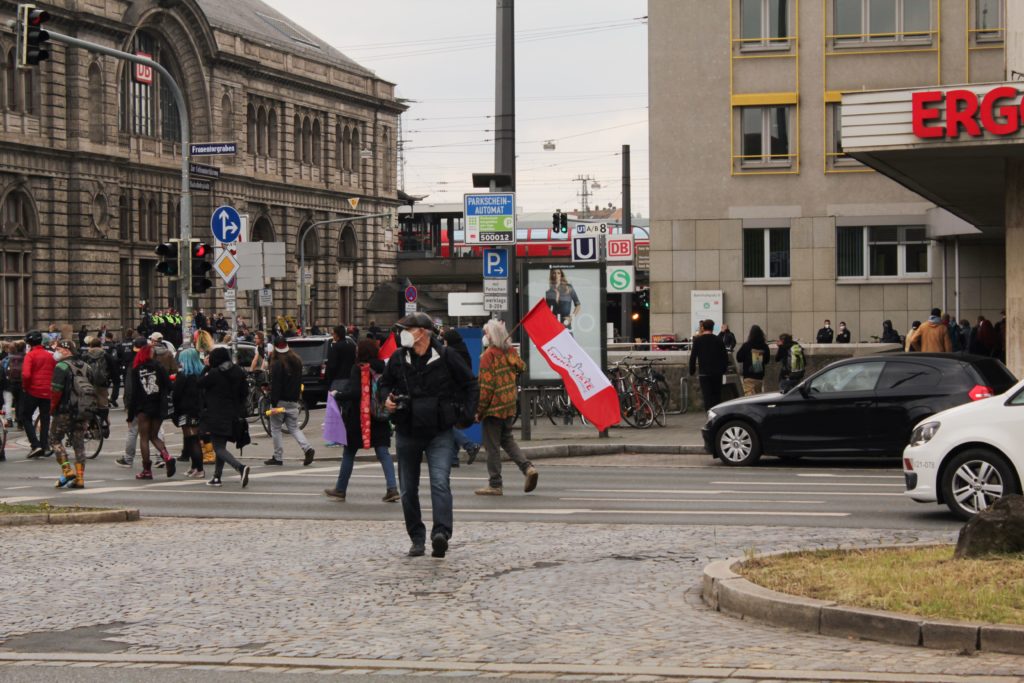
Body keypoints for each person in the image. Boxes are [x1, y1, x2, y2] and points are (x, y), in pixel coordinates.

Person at [380, 312, 478, 559]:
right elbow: (383, 384)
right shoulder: (398, 358)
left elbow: (470, 384)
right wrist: (386, 400)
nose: (401, 333)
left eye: (406, 328)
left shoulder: (446, 356)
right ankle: (417, 538)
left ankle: (441, 534)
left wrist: (466, 415)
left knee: (439, 482)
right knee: (407, 489)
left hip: (439, 432)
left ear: (421, 332)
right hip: (407, 430)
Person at [324, 339, 399, 502]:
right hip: (379, 416)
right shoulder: (383, 367)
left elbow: (355, 392)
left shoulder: (358, 368)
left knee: (349, 452)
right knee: (383, 452)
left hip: (359, 418)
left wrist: (338, 394)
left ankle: (340, 489)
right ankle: (392, 488)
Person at [473, 320, 537, 496]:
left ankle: (495, 484)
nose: (484, 337)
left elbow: (486, 387)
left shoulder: (488, 356)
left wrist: (479, 410)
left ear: (492, 336)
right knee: (507, 439)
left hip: (493, 407)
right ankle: (528, 468)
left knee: (492, 446)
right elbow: (521, 366)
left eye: (486, 333)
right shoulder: (509, 352)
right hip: (509, 403)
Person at [198, 347, 250, 488]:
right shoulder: (238, 371)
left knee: (218, 448)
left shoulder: (214, 373)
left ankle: (240, 467)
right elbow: (245, 392)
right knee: (221, 445)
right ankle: (216, 477)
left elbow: (200, 383)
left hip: (216, 414)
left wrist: (206, 368)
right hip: (233, 414)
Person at [49, 341, 98, 489]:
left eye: (58, 349)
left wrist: (53, 408)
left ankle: (66, 469)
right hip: (83, 410)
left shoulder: (61, 367)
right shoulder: (86, 367)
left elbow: (56, 390)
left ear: (66, 350)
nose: (56, 352)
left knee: (55, 439)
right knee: (79, 443)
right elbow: (93, 387)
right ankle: (80, 478)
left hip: (64, 410)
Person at [126, 343, 176, 479]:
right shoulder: (159, 366)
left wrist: (130, 416)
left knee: (144, 438)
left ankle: (146, 470)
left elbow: (134, 393)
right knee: (154, 435)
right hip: (158, 405)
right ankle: (167, 456)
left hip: (143, 407)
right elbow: (169, 385)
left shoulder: (136, 369)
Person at [264, 339, 315, 467]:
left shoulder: (276, 364)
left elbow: (277, 385)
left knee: (275, 428)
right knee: (294, 428)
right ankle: (307, 448)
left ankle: (278, 456)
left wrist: (273, 402)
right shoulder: (297, 361)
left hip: (280, 401)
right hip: (293, 400)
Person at [440, 328, 482, 466]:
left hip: (454, 392)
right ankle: (453, 459)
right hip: (462, 392)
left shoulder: (453, 354)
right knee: (454, 423)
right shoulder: (462, 350)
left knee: (447, 424)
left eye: (445, 341)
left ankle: (470, 445)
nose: (444, 344)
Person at [21, 330, 56, 459]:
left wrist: (25, 387)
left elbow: (26, 374)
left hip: (33, 390)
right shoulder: (49, 355)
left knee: (26, 416)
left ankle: (35, 445)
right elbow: (54, 370)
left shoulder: (30, 356)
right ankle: (45, 445)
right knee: (45, 418)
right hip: (47, 391)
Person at [173, 349, 206, 479]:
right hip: (197, 410)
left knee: (192, 439)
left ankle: (199, 469)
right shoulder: (200, 374)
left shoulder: (183, 376)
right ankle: (194, 467)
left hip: (185, 410)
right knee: (193, 439)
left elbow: (176, 394)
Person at [688, 319, 729, 411]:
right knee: (717, 395)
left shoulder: (698, 341)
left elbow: (693, 357)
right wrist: (723, 370)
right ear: (713, 328)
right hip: (717, 373)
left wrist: (692, 370)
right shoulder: (718, 340)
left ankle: (709, 414)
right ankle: (717, 415)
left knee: (707, 396)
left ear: (703, 328)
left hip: (704, 373)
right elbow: (725, 357)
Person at [82, 336, 115, 438]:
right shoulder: (106, 355)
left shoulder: (85, 356)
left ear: (90, 345)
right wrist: (111, 381)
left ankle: (91, 427)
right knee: (103, 405)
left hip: (87, 384)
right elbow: (113, 370)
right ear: (101, 345)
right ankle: (103, 424)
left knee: (88, 405)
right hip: (102, 384)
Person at [735, 325, 770, 396]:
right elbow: (767, 361)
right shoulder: (764, 346)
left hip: (748, 376)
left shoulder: (746, 345)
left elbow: (739, 358)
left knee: (749, 398)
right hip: (759, 377)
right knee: (758, 396)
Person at [2, 340, 26, 428]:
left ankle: (9, 421)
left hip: (8, 384)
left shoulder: (7, 359)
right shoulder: (26, 358)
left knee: (8, 403)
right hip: (22, 383)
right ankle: (20, 422)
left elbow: (3, 372)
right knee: (20, 402)